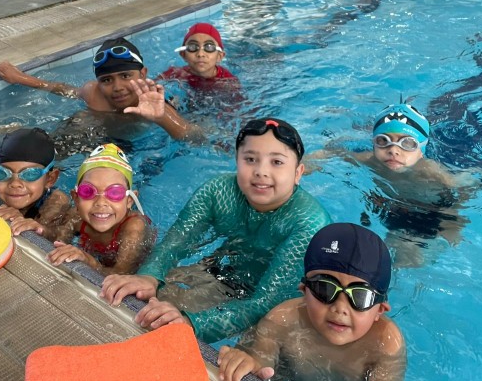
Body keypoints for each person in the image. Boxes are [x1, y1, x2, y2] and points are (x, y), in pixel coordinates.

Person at [99, 118, 332, 343]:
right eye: (250, 159)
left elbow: (266, 302)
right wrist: (149, 275)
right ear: (237, 161)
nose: (261, 171)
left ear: (298, 173)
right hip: (226, 270)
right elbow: (175, 243)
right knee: (145, 298)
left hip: (280, 306)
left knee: (173, 320)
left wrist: (192, 324)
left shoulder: (308, 223)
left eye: (277, 162)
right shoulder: (218, 192)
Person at [217, 223, 406, 381]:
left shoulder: (385, 344)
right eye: (325, 288)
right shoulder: (282, 320)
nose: (340, 308)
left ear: (380, 310)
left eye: (360, 296)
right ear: (305, 291)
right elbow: (261, 366)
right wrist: (247, 364)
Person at [306, 103, 482, 267]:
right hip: (394, 208)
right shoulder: (368, 160)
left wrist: (454, 211)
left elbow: (467, 185)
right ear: (374, 144)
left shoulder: (430, 171)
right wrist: (304, 165)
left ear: (421, 150)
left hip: (436, 210)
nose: (393, 150)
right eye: (383, 141)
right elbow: (333, 153)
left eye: (407, 143)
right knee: (394, 259)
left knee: (450, 246)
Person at [0, 37, 202, 152]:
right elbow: (63, 89)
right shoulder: (93, 93)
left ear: (143, 74)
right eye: (107, 80)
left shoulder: (154, 104)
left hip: (135, 145)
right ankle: (19, 133)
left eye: (125, 76)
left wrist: (162, 118)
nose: (117, 87)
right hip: (97, 134)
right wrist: (21, 78)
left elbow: (196, 138)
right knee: (57, 144)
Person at [46, 143, 156, 275]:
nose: (101, 203)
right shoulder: (76, 217)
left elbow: (121, 274)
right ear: (76, 198)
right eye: (88, 191)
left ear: (129, 201)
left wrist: (88, 260)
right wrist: (39, 228)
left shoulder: (134, 227)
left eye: (115, 193)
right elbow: (54, 243)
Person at [159, 23, 239, 91]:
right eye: (192, 47)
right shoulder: (175, 73)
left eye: (209, 47)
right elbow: (153, 86)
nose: (200, 54)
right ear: (183, 54)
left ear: (219, 56)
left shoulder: (228, 82)